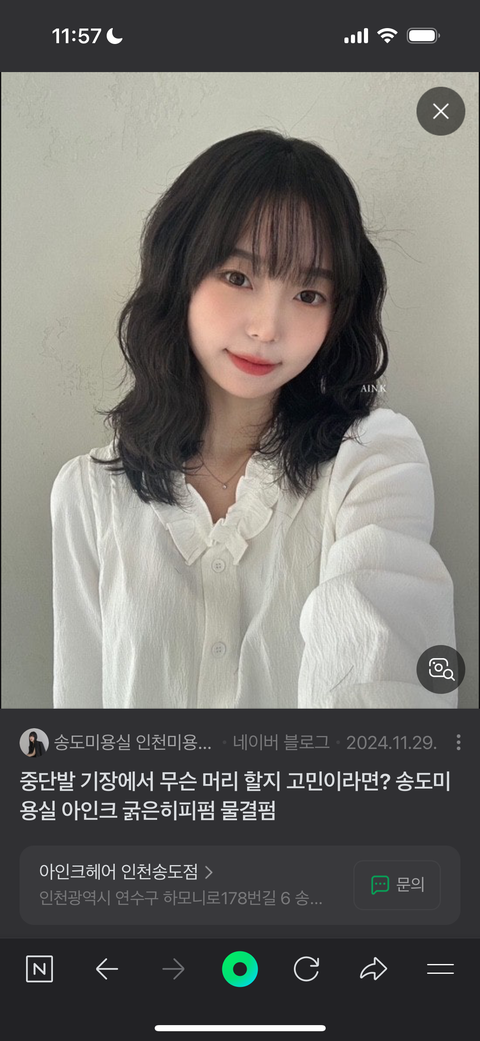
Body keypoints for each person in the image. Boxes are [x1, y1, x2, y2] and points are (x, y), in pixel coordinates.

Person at [51, 129, 457, 709]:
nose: (268, 327)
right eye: (238, 278)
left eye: (309, 294)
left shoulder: (372, 460)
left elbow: (379, 662)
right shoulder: (89, 494)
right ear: (181, 273)